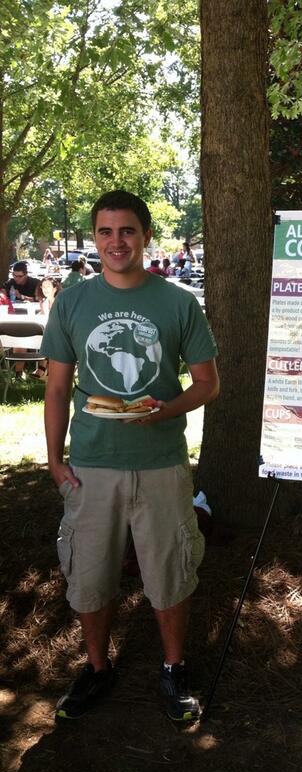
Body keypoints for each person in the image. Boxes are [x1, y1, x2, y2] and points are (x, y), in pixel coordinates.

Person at [42, 189, 219, 722]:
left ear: (144, 236)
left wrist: (165, 411)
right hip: (93, 465)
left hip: (162, 463)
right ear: (95, 238)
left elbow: (208, 384)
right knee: (89, 573)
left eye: (126, 231)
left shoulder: (177, 302)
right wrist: (55, 460)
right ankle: (97, 668)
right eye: (105, 231)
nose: (116, 242)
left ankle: (173, 668)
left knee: (169, 569)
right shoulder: (72, 302)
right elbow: (55, 388)